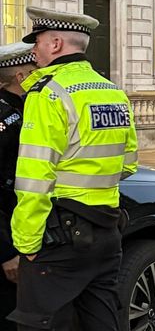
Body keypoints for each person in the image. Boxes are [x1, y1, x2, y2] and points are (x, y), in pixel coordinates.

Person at [9, 7, 138, 331]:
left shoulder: (48, 93)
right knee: (102, 321)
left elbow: (33, 178)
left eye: (37, 42)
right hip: (107, 230)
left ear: (55, 44)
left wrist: (27, 245)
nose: (33, 50)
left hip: (60, 235)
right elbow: (128, 164)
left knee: (40, 323)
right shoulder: (112, 91)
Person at [0, 43, 37, 331]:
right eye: (35, 70)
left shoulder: (27, 110)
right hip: (9, 243)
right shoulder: (6, 119)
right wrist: (6, 252)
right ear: (21, 76)